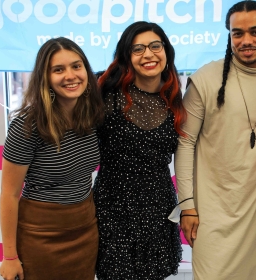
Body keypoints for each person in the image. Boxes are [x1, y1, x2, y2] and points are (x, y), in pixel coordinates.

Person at [174, 1, 256, 279]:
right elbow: (185, 143)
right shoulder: (206, 79)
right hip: (210, 209)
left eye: (255, 31)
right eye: (237, 33)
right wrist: (187, 205)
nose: (246, 40)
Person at [0, 37, 103, 280]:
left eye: (77, 66)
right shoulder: (27, 126)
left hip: (85, 229)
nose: (71, 75)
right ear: (45, 78)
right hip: (41, 235)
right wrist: (10, 256)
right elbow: (9, 195)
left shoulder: (91, 116)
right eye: (59, 69)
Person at [92, 21, 186, 279]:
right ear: (127, 57)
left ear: (166, 51)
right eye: (138, 49)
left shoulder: (175, 97)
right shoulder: (105, 91)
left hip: (158, 206)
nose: (148, 54)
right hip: (114, 207)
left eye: (155, 46)